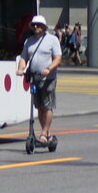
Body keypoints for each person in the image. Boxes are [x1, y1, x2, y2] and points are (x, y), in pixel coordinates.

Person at [16, 14, 62, 144]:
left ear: (44, 27)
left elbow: (58, 58)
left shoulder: (52, 40)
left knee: (47, 106)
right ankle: (46, 132)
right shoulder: (29, 41)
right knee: (39, 107)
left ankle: (44, 133)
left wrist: (49, 68)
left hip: (48, 79)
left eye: (38, 25)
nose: (36, 26)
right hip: (34, 78)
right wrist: (20, 69)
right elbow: (24, 57)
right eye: (34, 25)